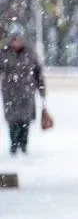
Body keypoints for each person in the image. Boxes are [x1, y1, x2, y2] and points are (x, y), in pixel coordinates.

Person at [0, 24, 46, 156]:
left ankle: (23, 145)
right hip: (10, 93)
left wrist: (41, 90)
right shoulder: (4, 53)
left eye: (19, 39)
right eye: (15, 39)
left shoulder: (30, 53)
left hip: (27, 92)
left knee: (25, 120)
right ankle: (14, 144)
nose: (17, 42)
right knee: (12, 121)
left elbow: (38, 73)